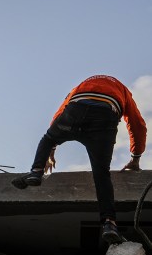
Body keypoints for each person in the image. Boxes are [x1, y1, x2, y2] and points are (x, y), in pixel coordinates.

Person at [11, 75, 147, 244]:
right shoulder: (123, 91)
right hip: (104, 119)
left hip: (75, 111)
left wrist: (51, 149)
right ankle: (109, 224)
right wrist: (136, 157)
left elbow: (61, 111)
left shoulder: (82, 86)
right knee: (101, 174)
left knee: (47, 138)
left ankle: (35, 172)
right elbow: (137, 124)